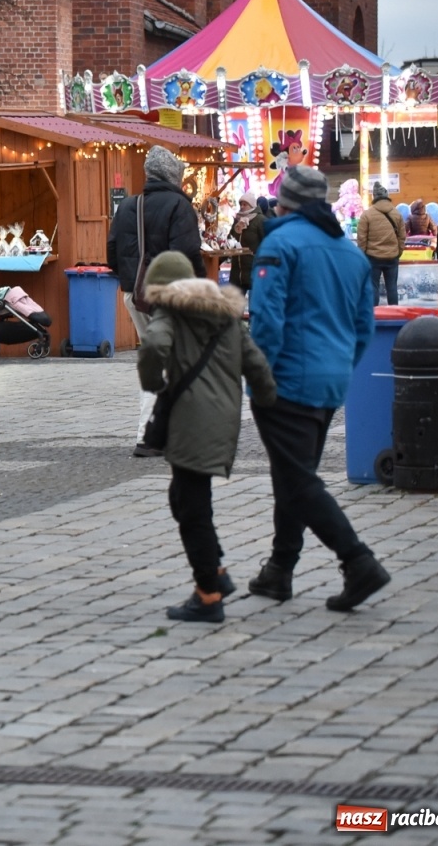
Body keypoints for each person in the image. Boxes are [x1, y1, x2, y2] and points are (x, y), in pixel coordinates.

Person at [247, 165, 391, 612]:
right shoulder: (350, 254)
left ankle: (358, 560)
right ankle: (279, 569)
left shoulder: (279, 243)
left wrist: (258, 374)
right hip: (331, 382)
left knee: (298, 479)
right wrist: (341, 366)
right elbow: (364, 325)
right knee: (293, 474)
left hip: (287, 380)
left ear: (283, 203)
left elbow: (266, 321)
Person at [137, 251, 277, 623]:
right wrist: (266, 399)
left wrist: (154, 383)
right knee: (183, 498)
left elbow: (153, 346)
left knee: (193, 508)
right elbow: (256, 363)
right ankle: (215, 573)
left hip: (190, 420)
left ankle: (208, 595)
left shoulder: (170, 311)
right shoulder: (227, 315)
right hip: (224, 419)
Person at [106, 146, 205, 457]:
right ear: (172, 174)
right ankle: (152, 435)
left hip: (136, 296)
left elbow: (112, 253)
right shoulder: (180, 206)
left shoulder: (128, 207)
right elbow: (187, 254)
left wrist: (133, 281)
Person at [356, 181, 407, 304]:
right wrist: (398, 252)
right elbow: (402, 236)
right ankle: (394, 314)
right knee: (392, 288)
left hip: (373, 257)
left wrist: (363, 256)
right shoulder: (397, 213)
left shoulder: (367, 215)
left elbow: (361, 238)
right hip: (392, 257)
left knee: (373, 288)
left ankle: (375, 315)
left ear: (374, 197)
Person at [229, 192, 265, 293]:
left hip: (254, 269)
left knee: (255, 306)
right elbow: (231, 239)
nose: (242, 206)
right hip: (237, 271)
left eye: (245, 204)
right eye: (241, 204)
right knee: (235, 306)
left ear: (252, 205)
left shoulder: (260, 220)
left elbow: (266, 242)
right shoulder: (238, 220)